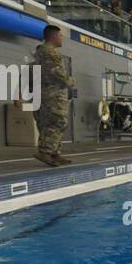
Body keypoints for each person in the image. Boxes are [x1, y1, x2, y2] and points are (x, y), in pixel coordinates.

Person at [33, 25, 74, 166]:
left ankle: (54, 153)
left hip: (44, 93)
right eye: (60, 35)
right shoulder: (50, 53)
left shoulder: (39, 53)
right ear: (54, 36)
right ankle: (45, 151)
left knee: (52, 122)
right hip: (53, 94)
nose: (62, 38)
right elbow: (57, 73)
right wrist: (70, 81)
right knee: (58, 121)